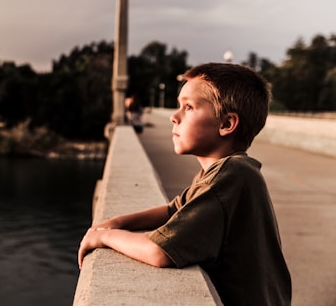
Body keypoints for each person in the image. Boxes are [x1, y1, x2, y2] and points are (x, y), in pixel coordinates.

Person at [78, 63, 292, 305]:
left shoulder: (231, 175)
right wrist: (117, 221)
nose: (174, 116)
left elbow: (159, 251)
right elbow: (174, 209)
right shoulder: (225, 169)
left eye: (188, 107)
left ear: (226, 124)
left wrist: (106, 238)